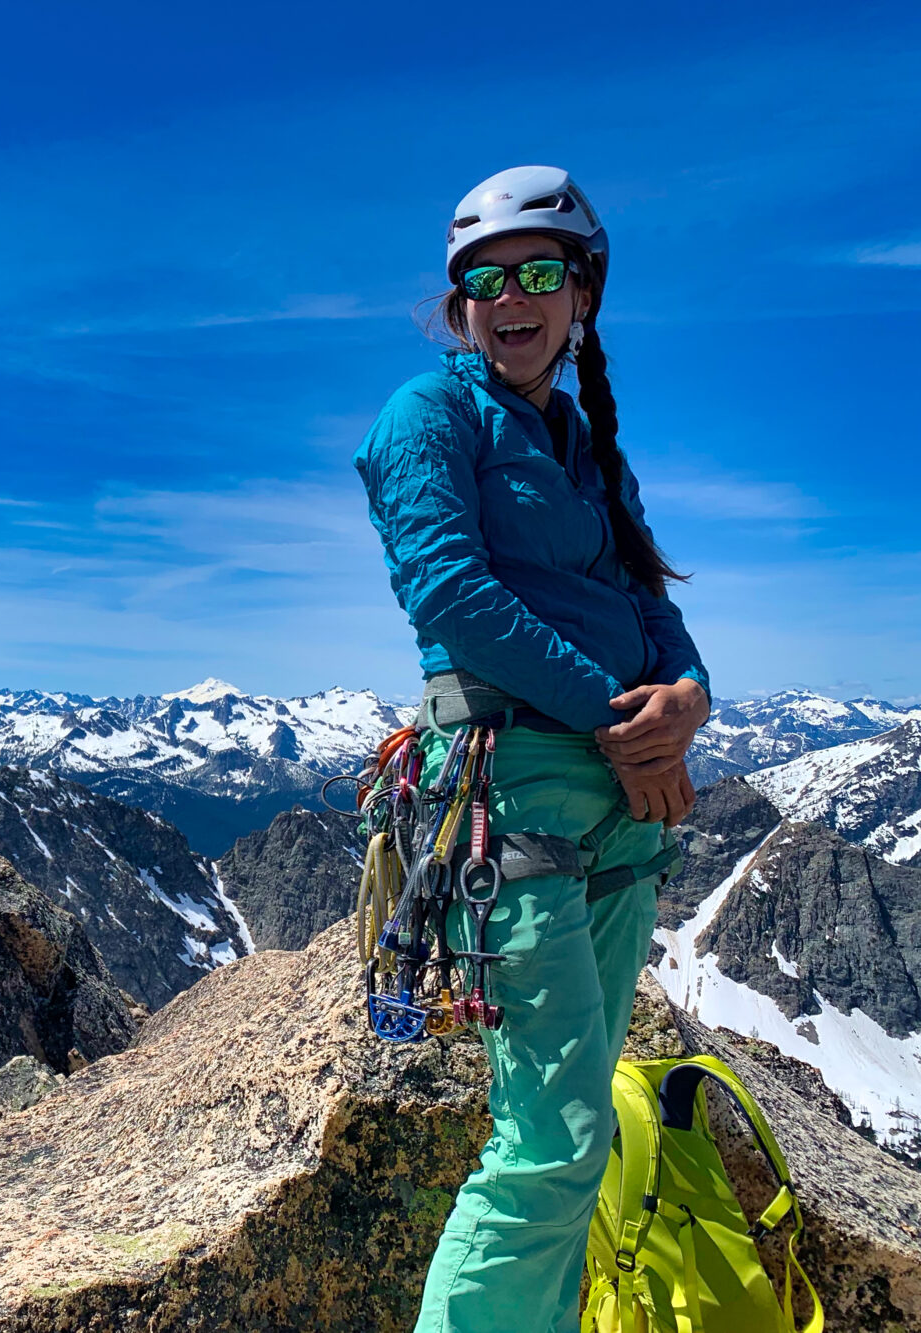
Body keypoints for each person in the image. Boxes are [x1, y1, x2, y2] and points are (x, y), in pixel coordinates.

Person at [352, 165, 712, 1333]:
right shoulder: (429, 416)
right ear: (461, 304)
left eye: (541, 273)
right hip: (520, 798)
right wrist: (627, 721)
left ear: (582, 297)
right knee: (551, 1136)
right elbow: (452, 596)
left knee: (575, 1128)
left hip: (614, 804)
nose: (514, 296)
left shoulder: (584, 445)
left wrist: (689, 700)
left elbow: (650, 604)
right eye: (487, 279)